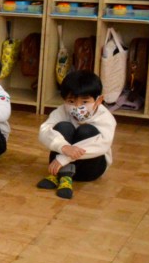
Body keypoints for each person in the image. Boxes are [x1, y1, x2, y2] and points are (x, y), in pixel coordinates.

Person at [37, 70, 115, 199]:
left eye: (84, 102)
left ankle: (64, 175)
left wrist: (64, 157)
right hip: (58, 167)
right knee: (63, 126)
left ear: (99, 100)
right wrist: (63, 146)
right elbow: (44, 130)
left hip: (89, 169)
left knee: (87, 130)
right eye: (71, 101)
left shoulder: (105, 118)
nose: (77, 106)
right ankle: (63, 176)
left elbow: (102, 144)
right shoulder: (62, 111)